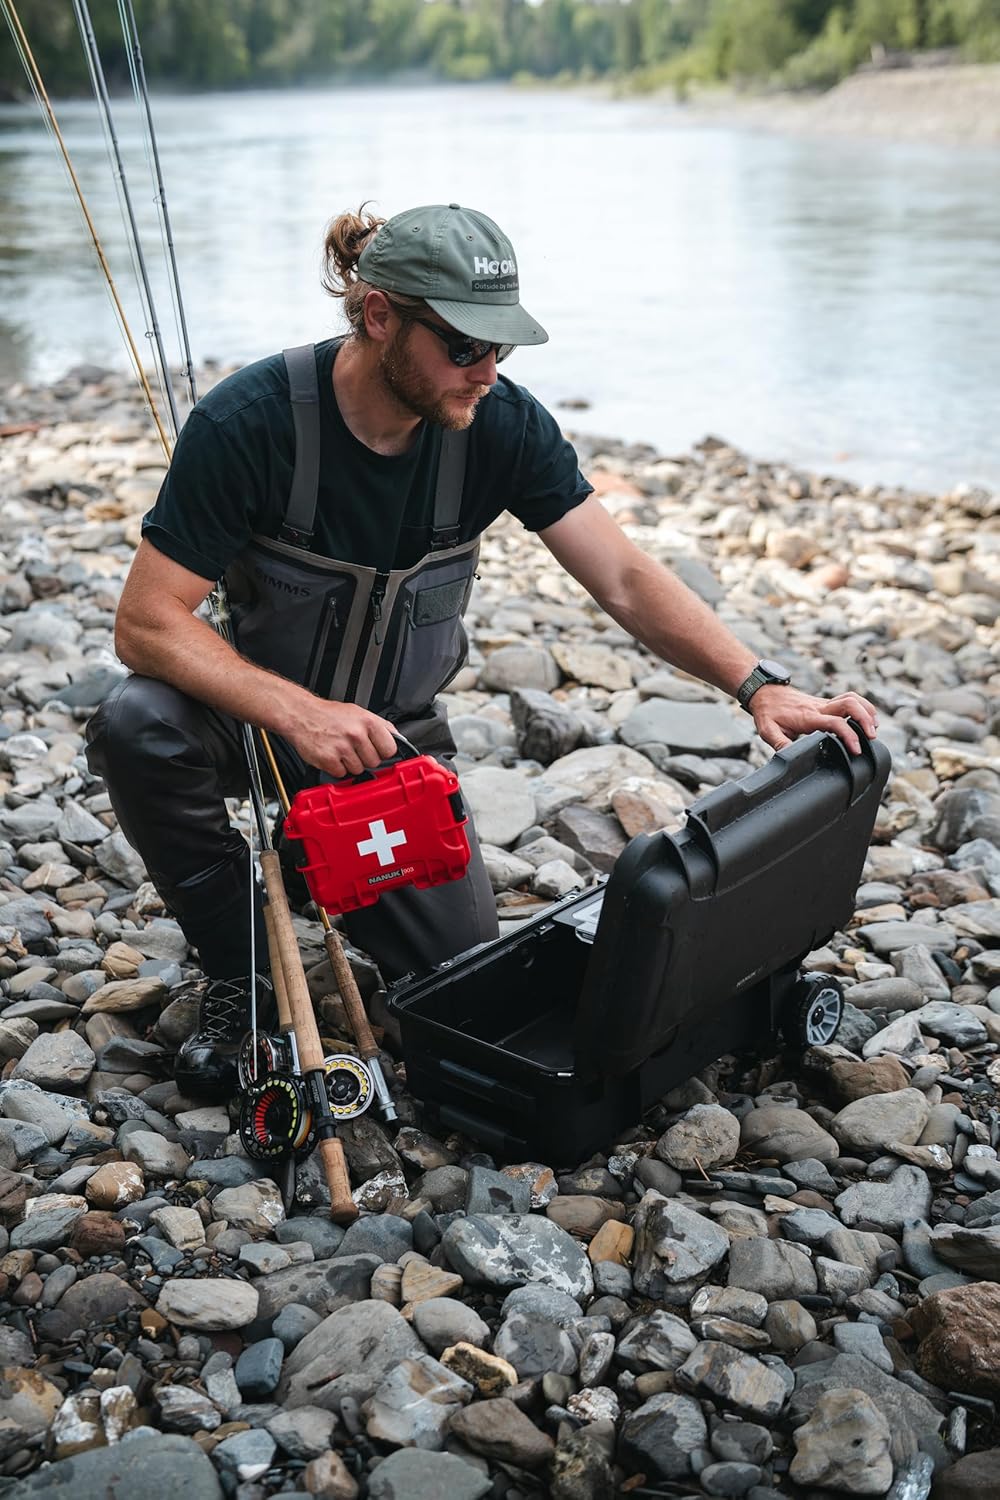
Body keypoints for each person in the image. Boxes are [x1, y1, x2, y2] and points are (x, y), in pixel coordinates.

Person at [86, 202, 878, 1097]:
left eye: (502, 349)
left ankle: (316, 871)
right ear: (379, 315)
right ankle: (244, 970)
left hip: (391, 755)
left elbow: (620, 576)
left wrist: (757, 684)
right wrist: (294, 711)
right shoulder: (251, 424)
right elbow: (146, 622)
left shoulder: (499, 423)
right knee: (134, 720)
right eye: (465, 347)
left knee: (461, 988)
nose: (487, 372)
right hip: (258, 728)